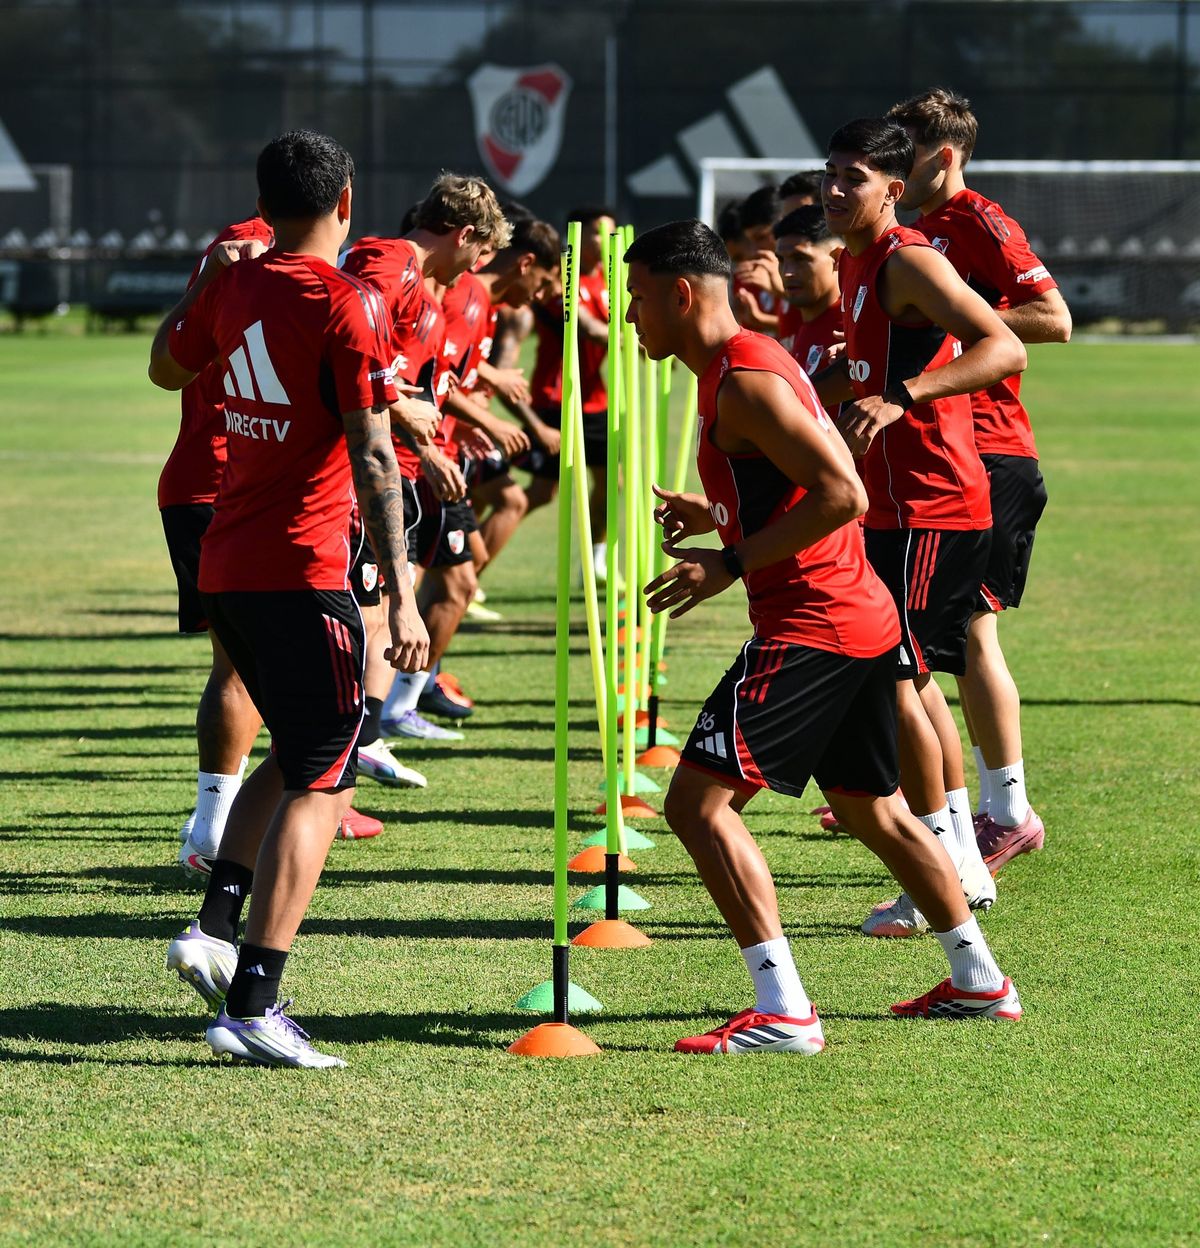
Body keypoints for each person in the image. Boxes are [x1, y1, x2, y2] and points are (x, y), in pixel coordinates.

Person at [627, 219, 1021, 1054]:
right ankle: (980, 980)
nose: (630, 317)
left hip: (815, 623)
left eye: (637, 299)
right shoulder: (744, 365)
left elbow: (843, 494)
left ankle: (785, 1012)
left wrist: (730, 561)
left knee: (696, 805)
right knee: (872, 808)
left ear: (680, 294)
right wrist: (722, 512)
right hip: (854, 615)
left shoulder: (745, 380)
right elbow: (794, 482)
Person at [151, 129, 428, 1067]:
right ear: (345, 201)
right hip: (302, 568)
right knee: (326, 776)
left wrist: (202, 285)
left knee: (296, 750)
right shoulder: (347, 300)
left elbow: (164, 367)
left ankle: (213, 929)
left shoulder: (232, 284)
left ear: (264, 205)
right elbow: (375, 454)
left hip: (227, 563)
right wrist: (402, 590)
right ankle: (254, 1004)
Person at [817, 118, 1028, 936]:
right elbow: (859, 374)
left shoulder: (908, 259)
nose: (836, 188)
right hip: (890, 506)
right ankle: (958, 865)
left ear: (893, 190)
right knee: (907, 682)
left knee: (895, 683)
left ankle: (943, 871)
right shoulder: (856, 262)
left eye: (855, 177)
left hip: (934, 507)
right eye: (831, 172)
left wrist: (905, 396)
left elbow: (1004, 347)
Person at [887, 87, 1071, 870]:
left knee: (960, 634)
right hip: (943, 449)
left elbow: (1054, 319)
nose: (890, 166)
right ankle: (935, 791)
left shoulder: (980, 222)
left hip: (991, 452)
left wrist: (958, 321)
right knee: (932, 637)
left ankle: (1003, 811)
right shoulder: (909, 232)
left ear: (943, 156)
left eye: (903, 152)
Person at [162, 215, 384, 863]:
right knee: (266, 675)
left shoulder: (235, 260)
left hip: (215, 488)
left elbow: (167, 364)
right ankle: (232, 827)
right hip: (244, 491)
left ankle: (246, 816)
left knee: (260, 675)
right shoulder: (264, 257)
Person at [341, 176, 511, 734]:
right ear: (464, 235)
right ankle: (359, 735)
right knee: (372, 614)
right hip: (366, 468)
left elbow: (388, 372)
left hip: (391, 462)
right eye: (480, 251)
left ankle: (368, 732)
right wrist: (411, 423)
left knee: (382, 611)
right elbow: (346, 352)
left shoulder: (414, 281)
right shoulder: (389, 262)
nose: (476, 267)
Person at [524, 207, 614, 582]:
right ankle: (467, 549)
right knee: (542, 491)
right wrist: (635, 342)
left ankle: (596, 562)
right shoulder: (562, 274)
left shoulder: (609, 279)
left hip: (595, 399)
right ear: (581, 235)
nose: (605, 242)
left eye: (611, 234)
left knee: (611, 483)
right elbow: (589, 328)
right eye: (598, 233)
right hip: (557, 397)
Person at [773, 205, 844, 390]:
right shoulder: (803, 325)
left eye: (800, 259)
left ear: (837, 258)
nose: (787, 272)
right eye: (781, 260)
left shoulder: (851, 324)